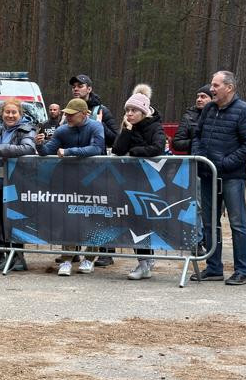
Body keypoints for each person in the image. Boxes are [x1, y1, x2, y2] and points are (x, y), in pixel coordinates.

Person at [192, 69, 246, 284]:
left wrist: (225, 163)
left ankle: (242, 270)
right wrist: (200, 158)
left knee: (238, 224)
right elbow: (198, 136)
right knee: (210, 223)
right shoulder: (209, 109)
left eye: (216, 85)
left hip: (232, 177)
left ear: (229, 87)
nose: (211, 89)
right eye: (212, 85)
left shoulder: (244, 111)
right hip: (207, 174)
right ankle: (214, 267)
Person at [39, 97, 106, 276]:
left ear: (84, 114)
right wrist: (39, 144)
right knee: (68, 218)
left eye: (71, 114)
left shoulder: (95, 126)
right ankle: (67, 258)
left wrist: (69, 152)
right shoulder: (62, 130)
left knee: (94, 217)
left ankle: (89, 259)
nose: (67, 117)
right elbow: (48, 150)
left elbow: (97, 149)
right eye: (66, 114)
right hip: (70, 181)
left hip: (95, 181)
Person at [113, 86, 167, 280]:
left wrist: (135, 152)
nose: (129, 114)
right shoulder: (130, 127)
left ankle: (146, 260)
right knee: (135, 221)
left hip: (151, 182)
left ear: (143, 112)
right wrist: (126, 131)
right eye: (127, 110)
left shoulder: (154, 126)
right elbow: (118, 150)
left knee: (145, 221)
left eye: (133, 110)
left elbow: (157, 147)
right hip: (132, 181)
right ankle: (144, 262)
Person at [0, 97, 37, 271]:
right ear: (2, 114)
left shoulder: (26, 130)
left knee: (14, 221)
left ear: (20, 114)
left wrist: (0, 150)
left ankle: (19, 257)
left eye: (14, 112)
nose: (10, 115)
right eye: (7, 112)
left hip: (15, 184)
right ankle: (8, 255)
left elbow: (28, 149)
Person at [172, 86, 211, 154]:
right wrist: (196, 142)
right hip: (195, 160)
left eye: (203, 97)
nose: (198, 99)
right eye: (198, 96)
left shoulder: (219, 114)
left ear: (212, 99)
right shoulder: (189, 117)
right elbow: (176, 143)